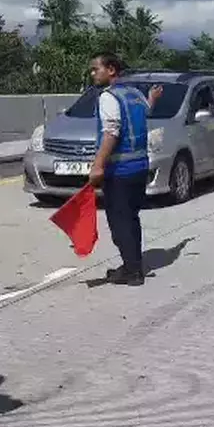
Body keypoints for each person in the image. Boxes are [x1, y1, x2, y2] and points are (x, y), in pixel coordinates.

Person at [87, 52, 163, 286]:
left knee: (120, 222)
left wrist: (98, 165)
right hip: (140, 167)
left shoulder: (108, 97)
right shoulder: (134, 94)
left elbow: (112, 131)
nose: (92, 74)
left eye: (95, 69)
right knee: (131, 218)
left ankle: (132, 271)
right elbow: (143, 114)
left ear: (110, 70)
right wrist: (152, 99)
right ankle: (133, 264)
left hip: (120, 170)